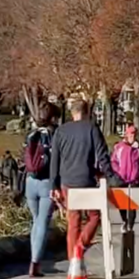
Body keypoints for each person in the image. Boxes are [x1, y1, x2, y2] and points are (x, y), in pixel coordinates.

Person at [49, 99, 124, 260]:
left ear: (72, 112)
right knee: (95, 216)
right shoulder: (91, 128)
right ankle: (81, 246)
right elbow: (102, 155)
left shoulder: (61, 131)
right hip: (86, 180)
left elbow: (54, 160)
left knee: (73, 222)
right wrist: (109, 175)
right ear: (87, 111)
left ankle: (73, 263)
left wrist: (53, 185)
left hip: (67, 182)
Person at [24, 104, 59, 277]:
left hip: (30, 181)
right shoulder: (54, 134)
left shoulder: (31, 134)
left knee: (35, 221)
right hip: (46, 181)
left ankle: (33, 258)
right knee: (42, 223)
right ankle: (35, 262)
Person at [112, 125, 139, 233]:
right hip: (122, 178)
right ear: (126, 134)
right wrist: (118, 171)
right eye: (131, 133)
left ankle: (130, 225)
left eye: (134, 134)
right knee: (121, 203)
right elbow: (113, 161)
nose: (132, 136)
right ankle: (124, 221)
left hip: (134, 179)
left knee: (132, 204)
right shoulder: (119, 147)